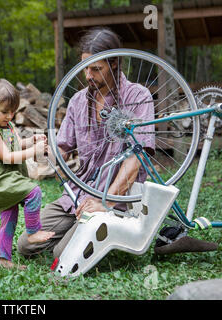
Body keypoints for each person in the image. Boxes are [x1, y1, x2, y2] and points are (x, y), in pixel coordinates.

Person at [17, 27, 156, 259]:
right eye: (85, 68)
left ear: (113, 63)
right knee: (26, 244)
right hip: (78, 195)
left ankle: (97, 234)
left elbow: (136, 159)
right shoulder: (78, 101)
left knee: (63, 253)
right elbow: (62, 148)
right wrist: (35, 150)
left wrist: (106, 202)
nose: (88, 75)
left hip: (116, 200)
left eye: (96, 69)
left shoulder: (138, 97)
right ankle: (84, 234)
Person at [0, 78, 55, 269]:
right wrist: (34, 151)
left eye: (13, 111)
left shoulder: (8, 125)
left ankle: (4, 260)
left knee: (9, 219)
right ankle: (33, 232)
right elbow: (6, 156)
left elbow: (16, 145)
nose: (10, 115)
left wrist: (31, 141)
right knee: (34, 191)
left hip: (10, 177)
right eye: (4, 112)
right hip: (1, 179)